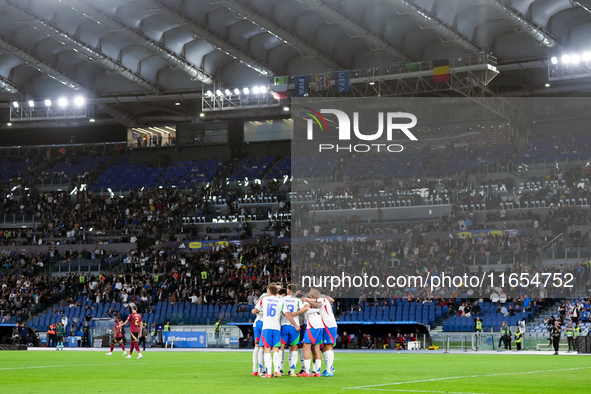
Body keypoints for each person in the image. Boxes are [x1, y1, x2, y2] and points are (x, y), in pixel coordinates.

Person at [252, 283, 299, 378]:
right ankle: (277, 371)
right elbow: (287, 314)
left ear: (269, 291)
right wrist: (295, 325)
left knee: (267, 349)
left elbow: (254, 310)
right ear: (276, 291)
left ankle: (269, 372)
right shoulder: (280, 301)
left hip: (266, 328)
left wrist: (257, 311)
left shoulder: (264, 299)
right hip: (277, 328)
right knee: (276, 349)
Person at [278, 284, 304, 376]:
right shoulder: (298, 300)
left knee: (280, 349)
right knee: (294, 349)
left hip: (283, 326)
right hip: (294, 327)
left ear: (288, 290)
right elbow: (305, 308)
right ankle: (292, 371)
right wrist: (296, 313)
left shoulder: (282, 299)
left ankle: (279, 369)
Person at [310, 289, 337, 377]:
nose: (311, 294)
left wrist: (306, 300)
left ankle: (329, 370)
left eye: (312, 292)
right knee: (324, 347)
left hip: (328, 325)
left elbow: (317, 304)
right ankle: (329, 367)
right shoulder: (323, 298)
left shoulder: (321, 299)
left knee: (328, 345)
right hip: (327, 325)